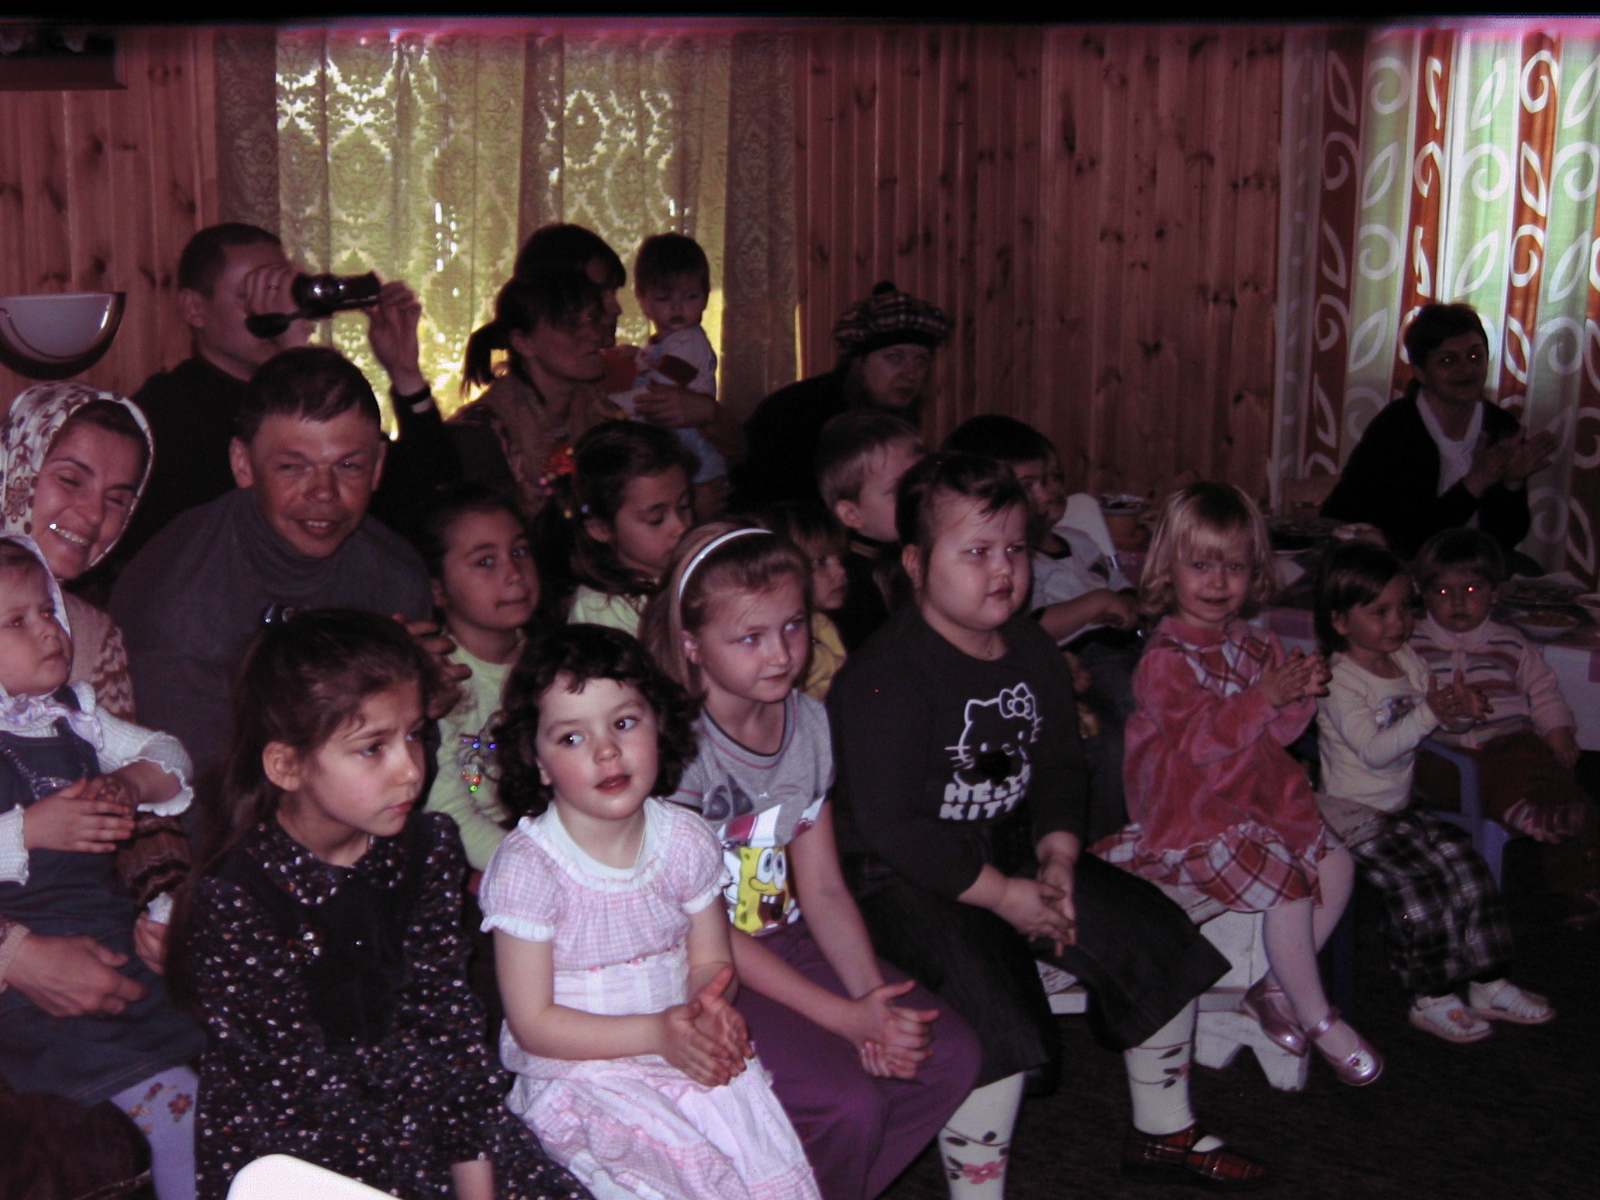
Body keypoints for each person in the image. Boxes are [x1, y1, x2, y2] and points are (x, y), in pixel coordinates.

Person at [829, 454, 1266, 1194]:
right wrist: (1003, 897)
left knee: (1152, 937)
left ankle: (1164, 1129)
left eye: (1014, 549)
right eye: (976, 552)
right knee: (990, 1011)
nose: (1003, 570)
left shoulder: (1031, 647)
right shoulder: (884, 676)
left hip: (1006, 845)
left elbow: (1061, 766)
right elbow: (891, 827)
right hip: (900, 875)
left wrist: (1059, 857)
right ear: (916, 563)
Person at [171, 609, 586, 1200]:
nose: (410, 770)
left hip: (434, 1111)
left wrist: (472, 1174)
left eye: (414, 734)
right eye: (372, 748)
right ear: (287, 765)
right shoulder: (238, 896)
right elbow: (295, 1093)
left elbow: (447, 1023)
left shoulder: (427, 849)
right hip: (300, 1150)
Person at [641, 524, 981, 1200]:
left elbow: (822, 888)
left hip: (784, 936)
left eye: (793, 627)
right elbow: (703, 931)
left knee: (948, 1057)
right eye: (750, 637)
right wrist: (842, 1019)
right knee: (847, 1105)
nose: (781, 654)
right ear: (692, 644)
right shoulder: (675, 749)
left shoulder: (808, 722)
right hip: (699, 964)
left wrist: (871, 1008)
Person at [482, 623, 820, 1200]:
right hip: (583, 1072)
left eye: (623, 723)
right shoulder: (529, 868)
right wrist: (656, 1033)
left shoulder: (684, 839)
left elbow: (710, 959)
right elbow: (534, 1023)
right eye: (571, 738)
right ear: (537, 763)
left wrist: (704, 1008)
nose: (606, 751)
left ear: (658, 725)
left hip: (677, 1049)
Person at [1098, 482, 1376, 1088]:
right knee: (1288, 886)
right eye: (1201, 565)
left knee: (1337, 867)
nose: (1219, 581)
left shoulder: (1254, 642)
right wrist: (1264, 697)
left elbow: (1278, 735)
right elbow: (1200, 742)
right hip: (1192, 813)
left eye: (1235, 566)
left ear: (1256, 572)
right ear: (1167, 569)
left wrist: (1296, 694)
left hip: (1255, 798)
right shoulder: (1167, 658)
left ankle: (1273, 989)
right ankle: (1318, 1017)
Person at [109, 347, 435, 789]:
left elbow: (429, 772)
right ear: (243, 465)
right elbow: (199, 792)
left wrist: (421, 707)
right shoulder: (177, 599)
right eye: (293, 467)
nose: (324, 491)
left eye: (349, 466)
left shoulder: (396, 576)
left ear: (378, 466)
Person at [0, 537, 202, 1200]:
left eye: (47, 611)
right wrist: (29, 829)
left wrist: (131, 784)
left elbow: (170, 753)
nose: (48, 631)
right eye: (16, 622)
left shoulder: (77, 715)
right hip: (31, 990)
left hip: (113, 938)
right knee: (177, 1112)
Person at [1314, 541, 1555, 1041]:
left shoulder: (1405, 659)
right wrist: (1431, 712)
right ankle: (1432, 994)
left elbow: (1434, 720)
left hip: (1399, 806)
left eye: (1404, 607)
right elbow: (1376, 750)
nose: (1398, 622)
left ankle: (1488, 981)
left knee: (1467, 867)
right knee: (1418, 888)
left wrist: (1460, 711)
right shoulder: (1340, 680)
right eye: (1379, 612)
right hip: (1349, 814)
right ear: (1340, 621)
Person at [121, 222, 455, 563]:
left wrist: (406, 374)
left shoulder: (313, 392)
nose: (273, 309)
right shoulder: (167, 414)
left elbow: (434, 499)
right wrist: (294, 353)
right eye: (251, 295)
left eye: (280, 293)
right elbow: (250, 534)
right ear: (194, 308)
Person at [943, 414, 1140, 842]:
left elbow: (1120, 586)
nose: (1046, 493)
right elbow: (1026, 630)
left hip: (1122, 648)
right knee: (1123, 723)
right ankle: (1109, 843)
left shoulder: (1078, 542)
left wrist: (1135, 602)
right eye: (1028, 484)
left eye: (1052, 479)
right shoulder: (1016, 561)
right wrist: (1093, 607)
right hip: (1075, 663)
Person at [1408, 529, 1599, 924]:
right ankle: (1524, 813)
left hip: (1511, 743)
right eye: (1443, 592)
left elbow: (1543, 690)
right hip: (1443, 751)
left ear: (1494, 594)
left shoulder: (1510, 642)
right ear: (1423, 595)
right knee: (1478, 772)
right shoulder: (1412, 643)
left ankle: (1579, 887)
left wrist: (1558, 731)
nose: (1458, 601)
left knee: (1565, 792)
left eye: (1472, 589)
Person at [1321, 302, 1555, 562]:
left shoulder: (1499, 426)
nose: (1466, 369)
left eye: (1475, 357)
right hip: (1382, 564)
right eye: (1447, 360)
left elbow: (1504, 539)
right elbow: (1410, 540)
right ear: (1420, 372)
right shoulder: (1396, 429)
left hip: (1467, 568)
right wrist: (1476, 481)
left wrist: (1512, 484)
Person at [1, 382, 154, 716]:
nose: (95, 513)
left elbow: (126, 745)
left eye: (117, 499)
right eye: (70, 480)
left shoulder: (94, 639)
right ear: (17, 470)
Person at [734, 281, 949, 509]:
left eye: (921, 360)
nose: (911, 374)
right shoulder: (800, 413)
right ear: (860, 363)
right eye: (894, 358)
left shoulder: (896, 416)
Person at [418, 484, 540, 873]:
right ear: (438, 589)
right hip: (480, 858)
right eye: (486, 561)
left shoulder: (554, 660)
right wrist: (538, 869)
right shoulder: (441, 680)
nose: (514, 574)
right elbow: (450, 812)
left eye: (520, 552)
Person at [454, 270, 624, 524]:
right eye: (569, 324)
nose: (592, 334)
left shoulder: (607, 418)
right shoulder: (482, 432)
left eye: (592, 318)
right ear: (523, 343)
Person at [617, 233, 728, 516]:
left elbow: (656, 393)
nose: (678, 308)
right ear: (643, 301)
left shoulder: (689, 342)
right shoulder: (663, 343)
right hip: (675, 450)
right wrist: (636, 355)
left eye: (691, 297)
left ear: (706, 297)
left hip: (696, 458)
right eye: (664, 298)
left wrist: (613, 406)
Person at [566, 421, 696, 638]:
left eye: (685, 506)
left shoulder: (702, 571)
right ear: (601, 528)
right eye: (656, 520)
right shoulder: (601, 609)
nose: (682, 527)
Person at [814, 412, 924, 652]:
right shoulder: (848, 587)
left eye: (923, 480)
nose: (919, 496)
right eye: (899, 490)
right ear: (852, 514)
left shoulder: (932, 546)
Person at [758, 503, 851, 700]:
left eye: (840, 559)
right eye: (820, 561)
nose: (841, 571)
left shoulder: (822, 625)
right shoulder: (779, 644)